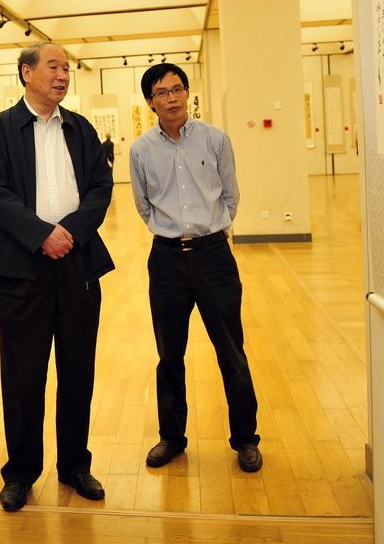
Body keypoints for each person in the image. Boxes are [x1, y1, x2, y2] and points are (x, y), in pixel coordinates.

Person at [0, 42, 114, 512]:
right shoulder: (0, 129)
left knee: (78, 371)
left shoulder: (80, 127)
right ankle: (20, 473)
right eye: (53, 66)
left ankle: (75, 465)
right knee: (22, 376)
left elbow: (101, 187)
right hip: (22, 269)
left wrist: (69, 233)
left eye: (67, 68)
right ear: (26, 72)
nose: (62, 75)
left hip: (77, 263)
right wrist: (41, 235)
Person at [128, 63, 261, 473]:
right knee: (169, 354)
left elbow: (231, 195)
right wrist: (171, 233)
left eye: (177, 89)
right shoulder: (140, 150)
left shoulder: (215, 139)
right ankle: (171, 437)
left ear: (187, 93)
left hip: (214, 257)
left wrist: (210, 233)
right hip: (166, 259)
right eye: (161, 93)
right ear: (150, 101)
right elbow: (143, 205)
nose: (171, 98)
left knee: (231, 351)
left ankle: (246, 438)